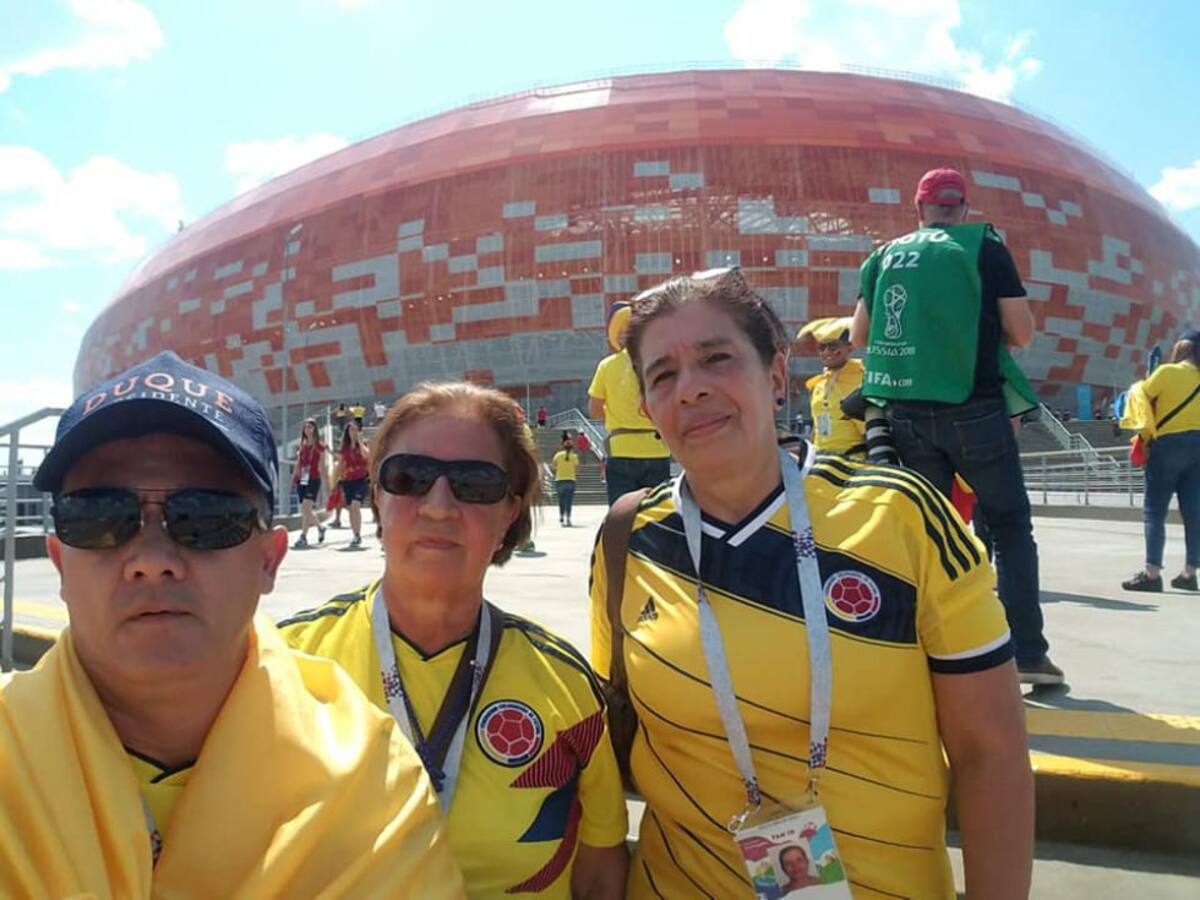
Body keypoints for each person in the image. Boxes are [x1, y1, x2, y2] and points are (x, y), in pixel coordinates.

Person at [592, 268, 1033, 898]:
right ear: (645, 406)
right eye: (663, 375)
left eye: (717, 359)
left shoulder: (902, 516)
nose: (690, 389)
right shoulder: (625, 539)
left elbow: (990, 752)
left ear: (775, 377)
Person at [1, 351, 463, 897]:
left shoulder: (370, 784)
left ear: (269, 559)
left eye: (206, 517)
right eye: (99, 516)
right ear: (59, 561)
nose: (152, 557)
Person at [279, 383, 629, 898]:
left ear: (511, 511)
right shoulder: (282, 666)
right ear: (376, 492)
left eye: (474, 483)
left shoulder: (563, 683)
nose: (438, 506)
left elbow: (600, 871)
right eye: (409, 478)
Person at [850, 166, 1061, 686]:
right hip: (975, 410)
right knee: (1010, 528)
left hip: (905, 415)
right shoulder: (983, 246)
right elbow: (1022, 332)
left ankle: (932, 652)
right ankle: (1028, 652)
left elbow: (859, 336)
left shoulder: (882, 256)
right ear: (964, 209)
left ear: (919, 210)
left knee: (931, 534)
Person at [1121, 329, 1200, 592]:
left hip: (1168, 445)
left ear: (1183, 347)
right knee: (1194, 512)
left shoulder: (1167, 372)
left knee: (1154, 511)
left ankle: (1152, 573)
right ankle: (1189, 573)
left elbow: (1142, 394)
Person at [588, 301, 672, 504]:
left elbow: (594, 410)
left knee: (622, 515)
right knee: (659, 514)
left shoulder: (607, 366)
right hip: (657, 447)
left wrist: (616, 411)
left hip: (620, 448)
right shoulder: (658, 361)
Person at [797, 316, 865, 457]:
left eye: (833, 346)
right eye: (822, 347)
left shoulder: (862, 380)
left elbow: (871, 430)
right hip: (822, 464)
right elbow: (817, 428)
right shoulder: (818, 385)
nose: (827, 352)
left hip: (855, 464)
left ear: (849, 347)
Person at [335, 419, 371, 549]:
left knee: (355, 505)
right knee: (351, 508)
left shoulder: (364, 444)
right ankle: (356, 534)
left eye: (355, 430)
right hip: (348, 480)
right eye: (351, 430)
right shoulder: (344, 448)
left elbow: (367, 456)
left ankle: (357, 534)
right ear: (347, 432)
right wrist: (335, 481)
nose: (353, 432)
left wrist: (360, 441)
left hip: (362, 479)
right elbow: (341, 464)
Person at [291, 418, 327, 549]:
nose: (308, 430)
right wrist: (294, 478)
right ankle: (320, 527)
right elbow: (299, 463)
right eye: (306, 427)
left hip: (314, 478)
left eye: (310, 427)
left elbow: (322, 465)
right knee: (306, 509)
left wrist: (326, 483)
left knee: (306, 506)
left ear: (315, 429)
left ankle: (303, 536)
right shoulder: (302, 445)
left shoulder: (320, 446)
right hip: (303, 478)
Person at [552, 435, 579, 526]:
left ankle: (561, 517)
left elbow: (554, 466)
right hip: (570, 480)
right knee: (569, 501)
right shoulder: (574, 456)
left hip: (560, 480)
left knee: (561, 500)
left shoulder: (558, 455)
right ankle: (568, 518)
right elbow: (576, 469)